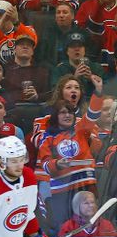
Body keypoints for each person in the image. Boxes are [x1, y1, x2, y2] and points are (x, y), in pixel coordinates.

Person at [38, 75, 104, 224]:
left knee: (89, 222)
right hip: (62, 187)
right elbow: (45, 163)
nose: (67, 115)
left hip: (86, 182)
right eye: (63, 112)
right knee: (63, 225)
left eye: (70, 112)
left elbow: (92, 114)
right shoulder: (48, 138)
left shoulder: (81, 129)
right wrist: (57, 164)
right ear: (55, 116)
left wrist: (98, 93)